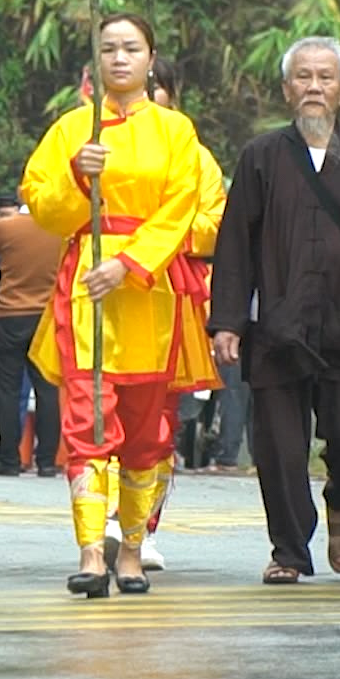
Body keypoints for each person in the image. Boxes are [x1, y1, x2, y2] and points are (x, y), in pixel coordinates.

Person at [209, 36, 340, 585]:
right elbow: (235, 244)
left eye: (325, 78)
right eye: (303, 77)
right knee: (279, 450)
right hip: (277, 328)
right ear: (286, 89)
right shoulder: (260, 156)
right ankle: (289, 551)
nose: (313, 87)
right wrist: (228, 321)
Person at [21, 14, 203, 598]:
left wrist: (128, 263)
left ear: (151, 59)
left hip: (150, 292)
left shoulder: (176, 131)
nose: (119, 59)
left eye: (131, 49)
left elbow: (182, 207)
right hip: (85, 292)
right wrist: (78, 179)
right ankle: (89, 553)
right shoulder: (72, 128)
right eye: (108, 50)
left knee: (147, 430)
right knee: (87, 422)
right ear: (94, 62)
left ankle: (131, 550)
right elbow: (43, 209)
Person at [133, 55, 227, 573]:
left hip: (171, 292)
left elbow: (214, 222)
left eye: (156, 87)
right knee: (103, 410)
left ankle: (143, 527)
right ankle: (100, 518)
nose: (147, 95)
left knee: (161, 418)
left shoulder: (196, 157)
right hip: (108, 293)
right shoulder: (93, 143)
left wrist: (158, 237)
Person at [0, 201, 63, 478]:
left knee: (8, 391)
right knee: (47, 389)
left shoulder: (6, 227)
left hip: (10, 315)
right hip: (47, 316)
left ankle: (9, 460)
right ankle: (47, 460)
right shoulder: (62, 228)